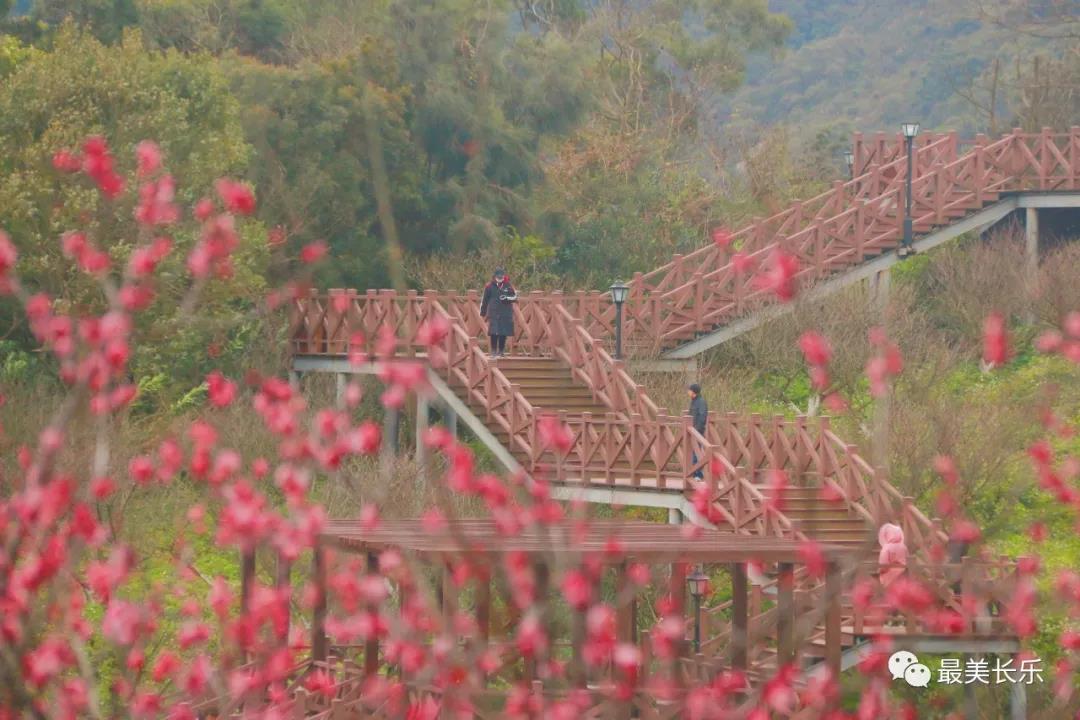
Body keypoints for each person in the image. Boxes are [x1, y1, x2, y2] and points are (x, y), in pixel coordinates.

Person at [480, 267, 518, 358]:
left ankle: (501, 351)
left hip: (505, 312)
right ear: (495, 276)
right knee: (494, 332)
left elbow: (515, 297)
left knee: (503, 332)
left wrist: (507, 298)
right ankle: (493, 351)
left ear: (504, 276)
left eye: (502, 276)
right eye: (498, 276)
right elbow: (485, 300)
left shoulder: (508, 285)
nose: (500, 278)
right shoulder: (489, 286)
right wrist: (483, 312)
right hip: (494, 312)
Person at [688, 383, 708, 479]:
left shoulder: (701, 402)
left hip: (697, 431)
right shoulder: (693, 401)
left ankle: (698, 474)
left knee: (697, 452)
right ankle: (696, 473)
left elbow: (702, 417)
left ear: (693, 392)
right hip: (692, 430)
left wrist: (696, 430)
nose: (688, 392)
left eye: (689, 390)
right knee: (694, 452)